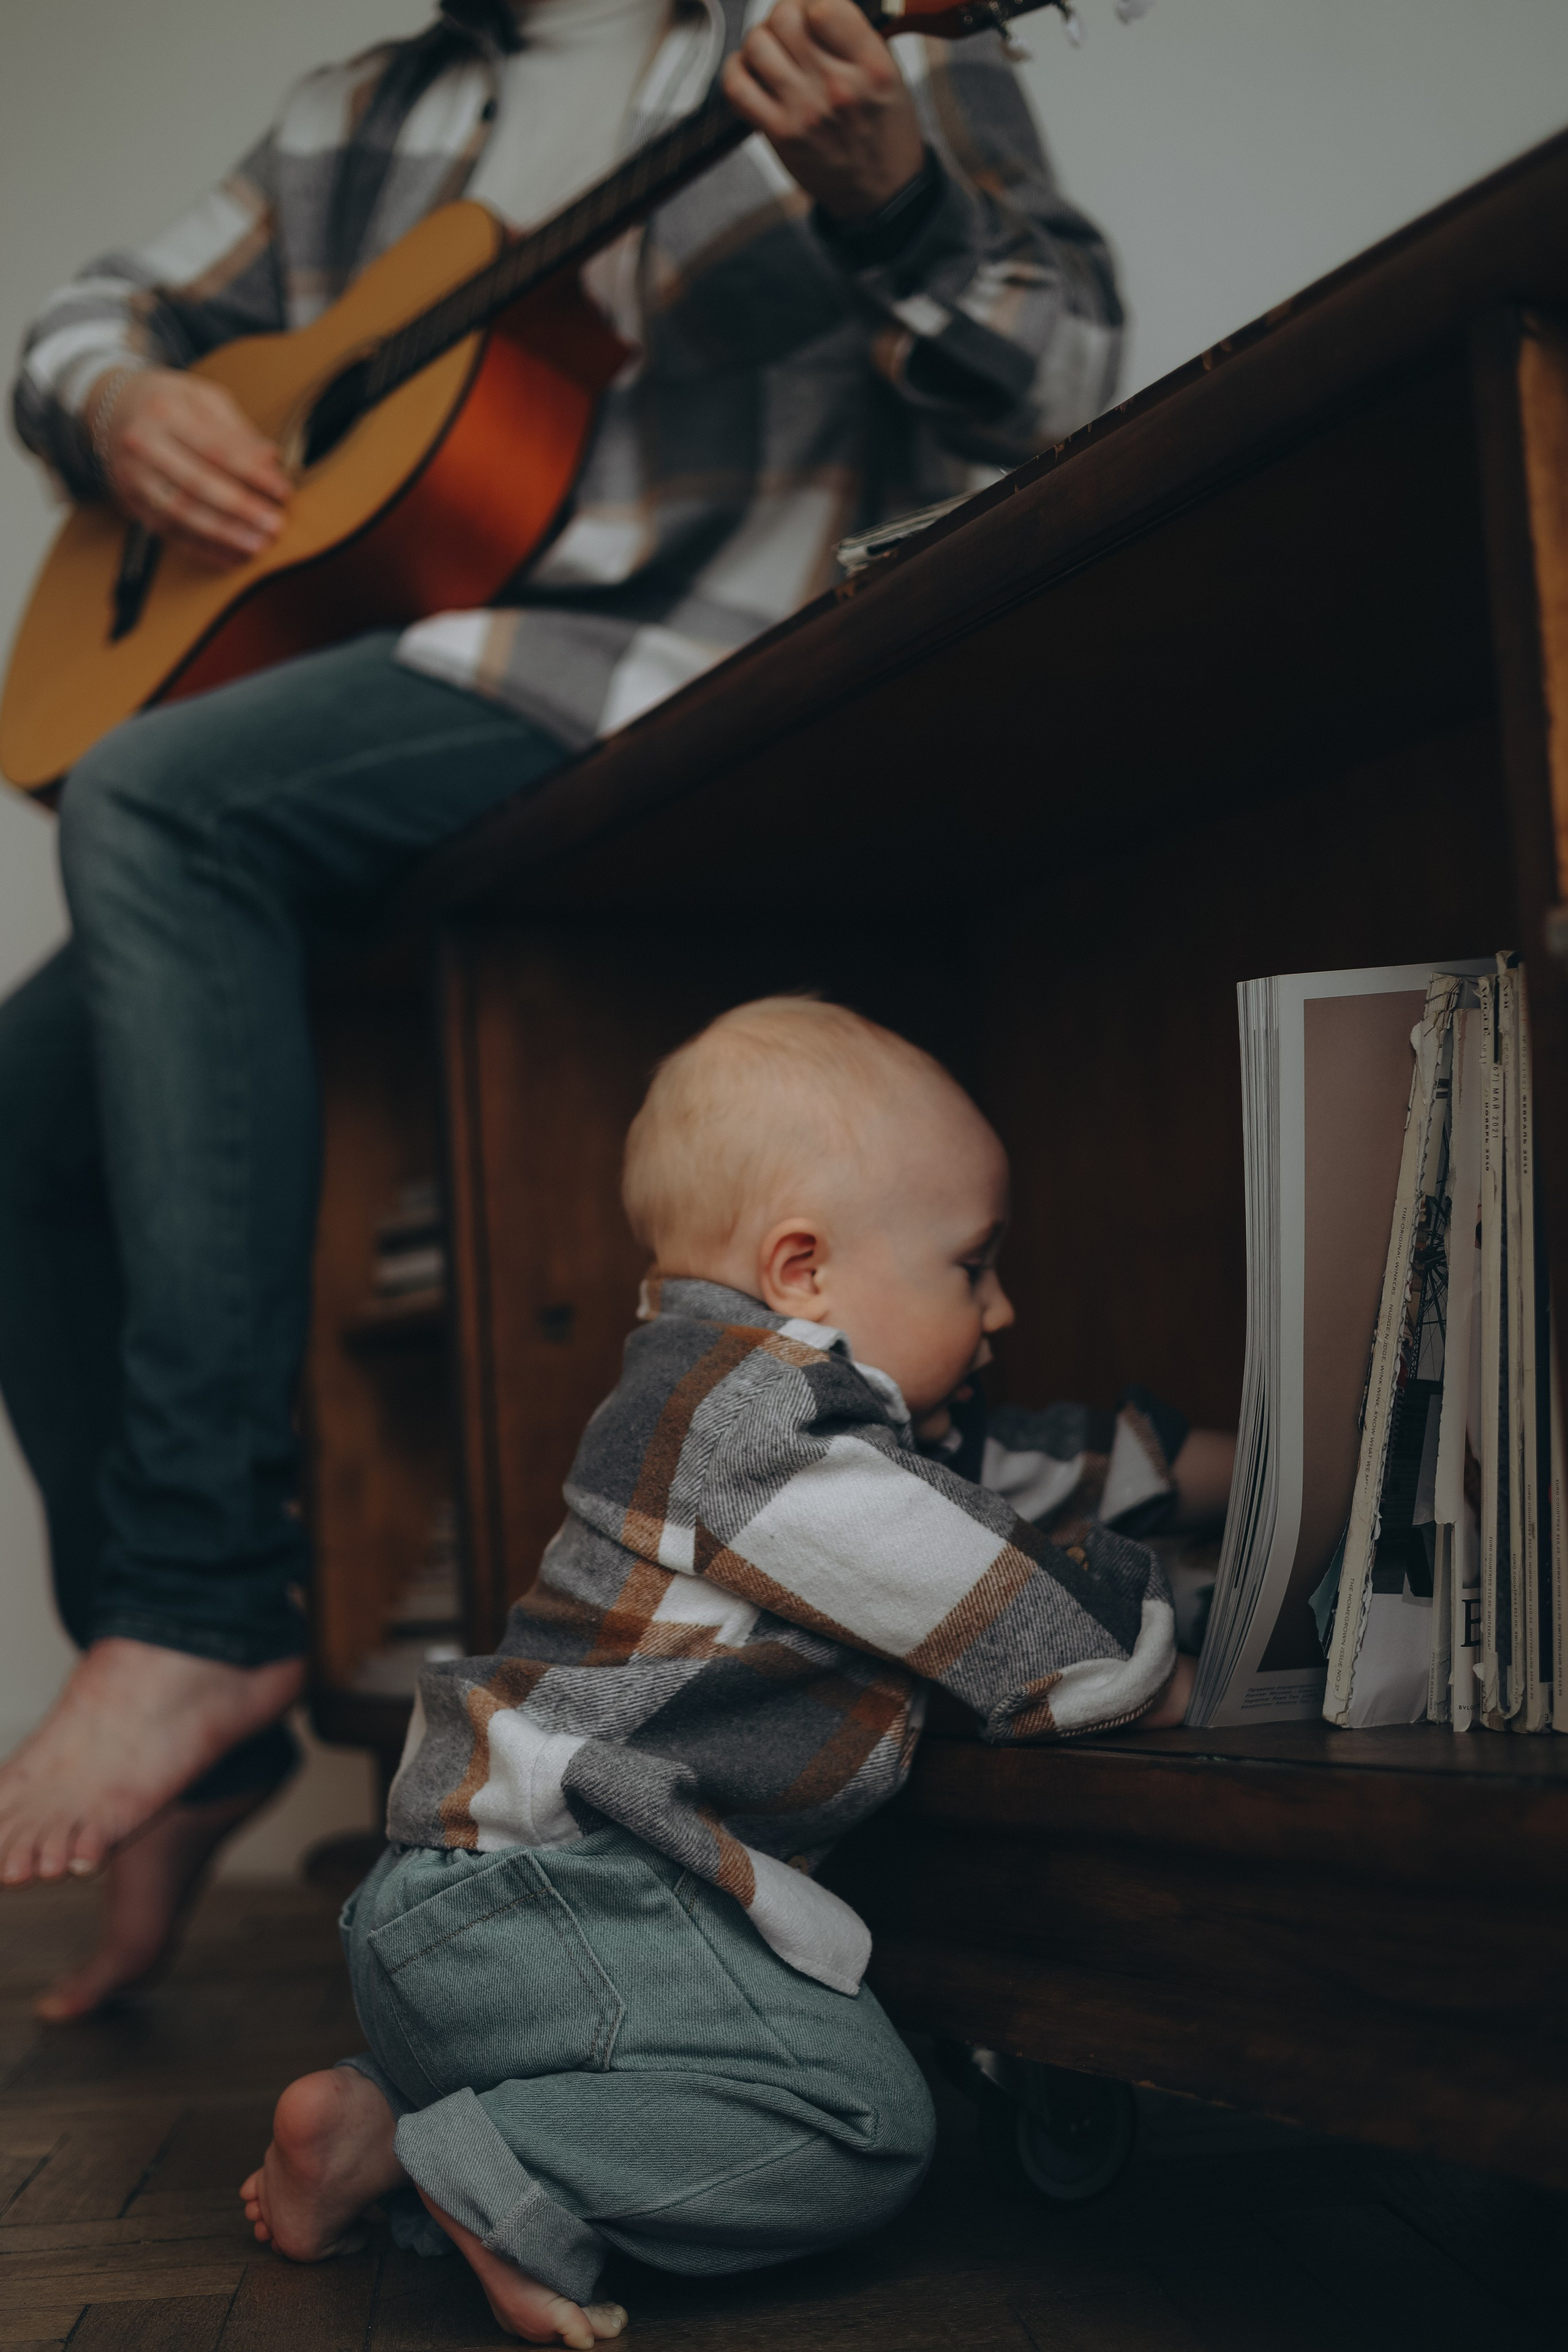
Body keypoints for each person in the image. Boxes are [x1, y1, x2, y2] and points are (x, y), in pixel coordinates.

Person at [0, 0, 1125, 2021]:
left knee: (156, 795)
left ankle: (185, 1611)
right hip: (408, 655)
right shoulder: (375, 101)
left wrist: (886, 203)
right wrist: (117, 411)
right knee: (15, 1093)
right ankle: (211, 1705)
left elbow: (1054, 381)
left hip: (672, 659)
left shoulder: (837, 23)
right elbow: (89, 315)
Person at [237, 996, 1229, 2346]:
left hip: (474, 1931)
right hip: (549, 1902)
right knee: (865, 2123)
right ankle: (501, 2173)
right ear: (803, 1270)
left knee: (719, 2047)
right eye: (974, 1265)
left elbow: (983, 1484)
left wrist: (1223, 1465)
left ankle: (374, 2121)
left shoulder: (723, 1395)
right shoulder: (765, 1439)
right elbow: (1036, 1630)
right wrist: (1162, 1659)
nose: (1003, 1308)